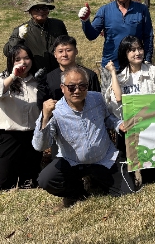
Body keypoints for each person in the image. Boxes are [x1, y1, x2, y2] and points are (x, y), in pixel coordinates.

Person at [33, 66, 136, 207]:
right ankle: (76, 193)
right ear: (62, 88)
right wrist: (45, 117)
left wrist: (119, 125)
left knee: (128, 191)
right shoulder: (54, 111)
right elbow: (40, 146)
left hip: (104, 159)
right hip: (72, 162)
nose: (77, 90)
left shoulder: (97, 98)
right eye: (71, 87)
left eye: (82, 86)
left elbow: (108, 118)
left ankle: (96, 180)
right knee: (46, 179)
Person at [78, 0, 154, 94]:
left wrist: (147, 59)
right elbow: (91, 35)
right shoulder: (105, 10)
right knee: (110, 100)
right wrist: (85, 21)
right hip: (111, 65)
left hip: (135, 65)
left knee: (135, 99)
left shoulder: (141, 10)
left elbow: (148, 36)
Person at [0, 44, 42, 190]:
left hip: (32, 136)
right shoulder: (0, 78)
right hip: (9, 136)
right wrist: (13, 76)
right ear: (10, 61)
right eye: (17, 59)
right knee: (5, 180)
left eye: (26, 58)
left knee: (29, 181)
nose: (23, 62)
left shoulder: (37, 82)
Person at [105, 35, 155, 157]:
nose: (138, 53)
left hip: (152, 129)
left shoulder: (154, 72)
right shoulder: (120, 78)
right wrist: (113, 72)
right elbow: (118, 100)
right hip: (129, 131)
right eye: (132, 50)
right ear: (125, 53)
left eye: (140, 48)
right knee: (129, 164)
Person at [3, 0, 68, 73]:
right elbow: (7, 52)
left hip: (58, 71)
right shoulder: (22, 30)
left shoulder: (58, 25)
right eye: (37, 9)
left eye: (44, 8)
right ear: (30, 11)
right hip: (34, 74)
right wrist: (18, 38)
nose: (41, 11)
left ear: (48, 10)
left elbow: (67, 45)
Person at [36, 35, 101, 110]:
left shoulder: (89, 75)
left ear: (76, 51)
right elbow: (43, 106)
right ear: (55, 54)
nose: (64, 55)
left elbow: (97, 101)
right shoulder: (49, 78)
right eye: (60, 51)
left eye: (68, 50)